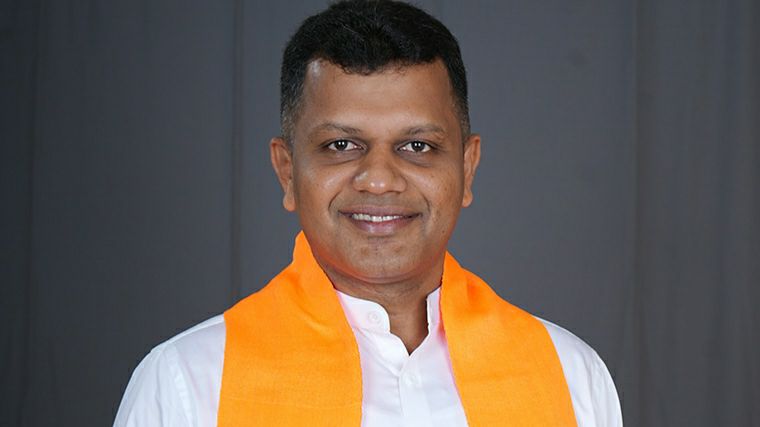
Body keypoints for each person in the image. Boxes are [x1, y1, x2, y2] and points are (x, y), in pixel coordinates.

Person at [114, 1, 623, 426]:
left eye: (418, 146)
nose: (379, 179)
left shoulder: (570, 376)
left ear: (467, 168)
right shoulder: (189, 385)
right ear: (287, 171)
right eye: (341, 145)